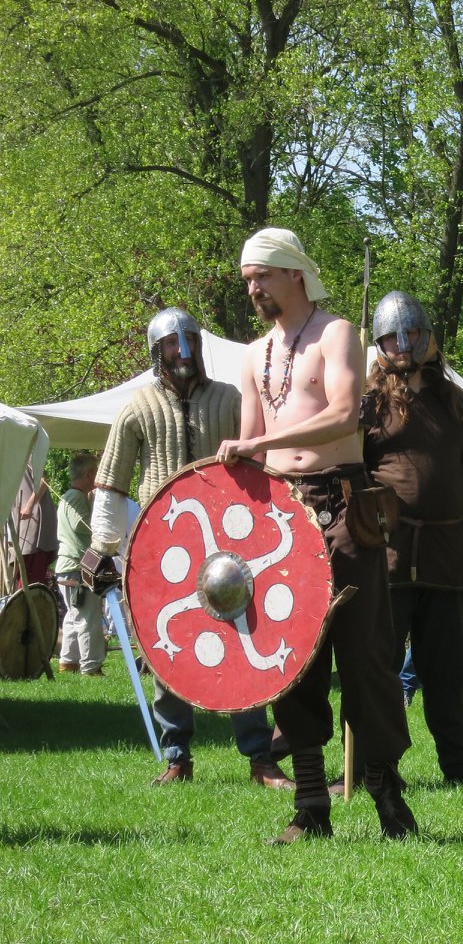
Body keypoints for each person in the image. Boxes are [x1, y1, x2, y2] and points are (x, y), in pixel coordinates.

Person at [217, 227, 414, 843]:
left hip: (344, 505)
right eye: (248, 278)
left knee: (366, 654)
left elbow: (341, 413)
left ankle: (386, 794)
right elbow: (247, 453)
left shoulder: (336, 334)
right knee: (291, 658)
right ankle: (310, 806)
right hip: (282, 517)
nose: (253, 287)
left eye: (263, 276)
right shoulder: (252, 355)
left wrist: (259, 444)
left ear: (293, 274)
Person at [83, 307, 291, 789]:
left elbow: (263, 462)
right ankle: (177, 755)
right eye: (172, 345)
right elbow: (112, 483)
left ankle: (259, 756)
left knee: (244, 644)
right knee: (165, 646)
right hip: (161, 547)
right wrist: (102, 546)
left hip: (230, 539)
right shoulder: (137, 407)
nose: (183, 352)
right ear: (157, 352)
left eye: (189, 342)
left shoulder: (230, 400)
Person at [361, 289, 463, 787]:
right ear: (380, 342)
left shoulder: (458, 406)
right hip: (387, 559)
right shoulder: (368, 406)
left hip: (445, 559)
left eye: (413, 332)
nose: (404, 343)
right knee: (378, 671)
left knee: (448, 676)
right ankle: (374, 767)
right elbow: (350, 476)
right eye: (394, 335)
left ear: (428, 337)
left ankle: (459, 768)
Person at [55, 452, 104, 676]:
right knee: (88, 617)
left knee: (74, 616)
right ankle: (91, 667)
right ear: (89, 474)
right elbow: (82, 525)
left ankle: (68, 662)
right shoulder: (76, 497)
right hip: (77, 566)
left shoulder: (70, 496)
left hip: (68, 566)